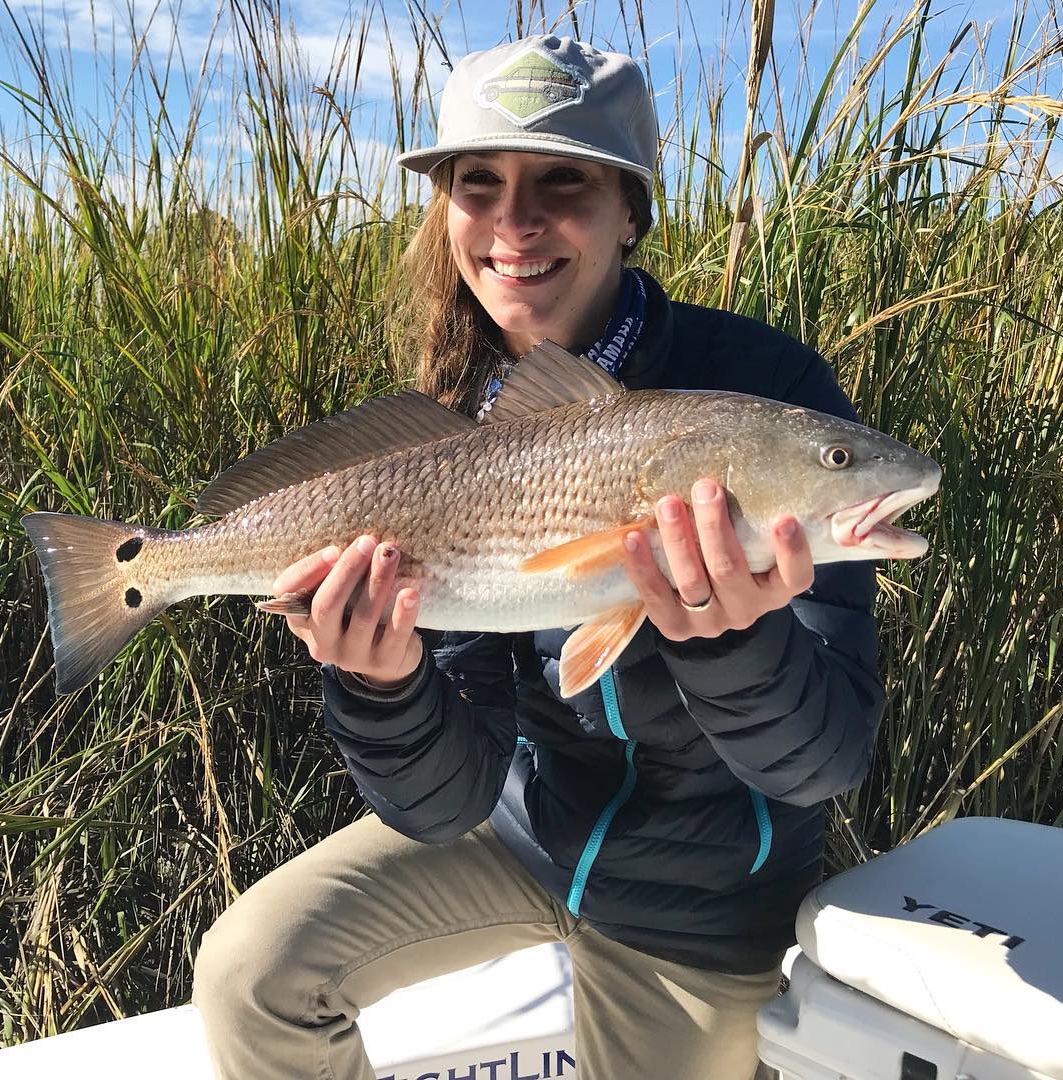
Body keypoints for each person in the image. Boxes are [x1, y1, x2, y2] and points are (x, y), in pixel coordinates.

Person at [192, 35, 884, 1080]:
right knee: (251, 972)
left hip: (702, 899)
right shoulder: (452, 425)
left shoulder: (763, 393)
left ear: (630, 211)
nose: (515, 223)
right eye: (480, 185)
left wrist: (736, 644)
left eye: (563, 182)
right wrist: (382, 683)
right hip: (519, 835)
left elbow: (824, 760)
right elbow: (446, 802)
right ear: (448, 212)